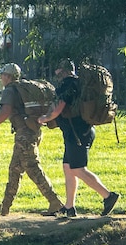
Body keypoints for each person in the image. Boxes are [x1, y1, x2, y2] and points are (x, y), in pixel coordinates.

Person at [41, 60, 120, 217]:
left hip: (77, 134)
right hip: (77, 132)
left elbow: (60, 106)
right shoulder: (79, 83)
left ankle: (108, 196)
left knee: (78, 169)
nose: (56, 73)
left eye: (58, 70)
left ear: (63, 71)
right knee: (68, 168)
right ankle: (69, 207)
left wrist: (44, 118)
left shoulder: (68, 84)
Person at [0, 61, 64, 216]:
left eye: (2, 75)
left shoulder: (10, 90)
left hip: (24, 134)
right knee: (15, 169)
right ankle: (4, 207)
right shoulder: (22, 89)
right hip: (33, 131)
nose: (1, 77)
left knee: (32, 167)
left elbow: (6, 110)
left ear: (8, 76)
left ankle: (55, 201)